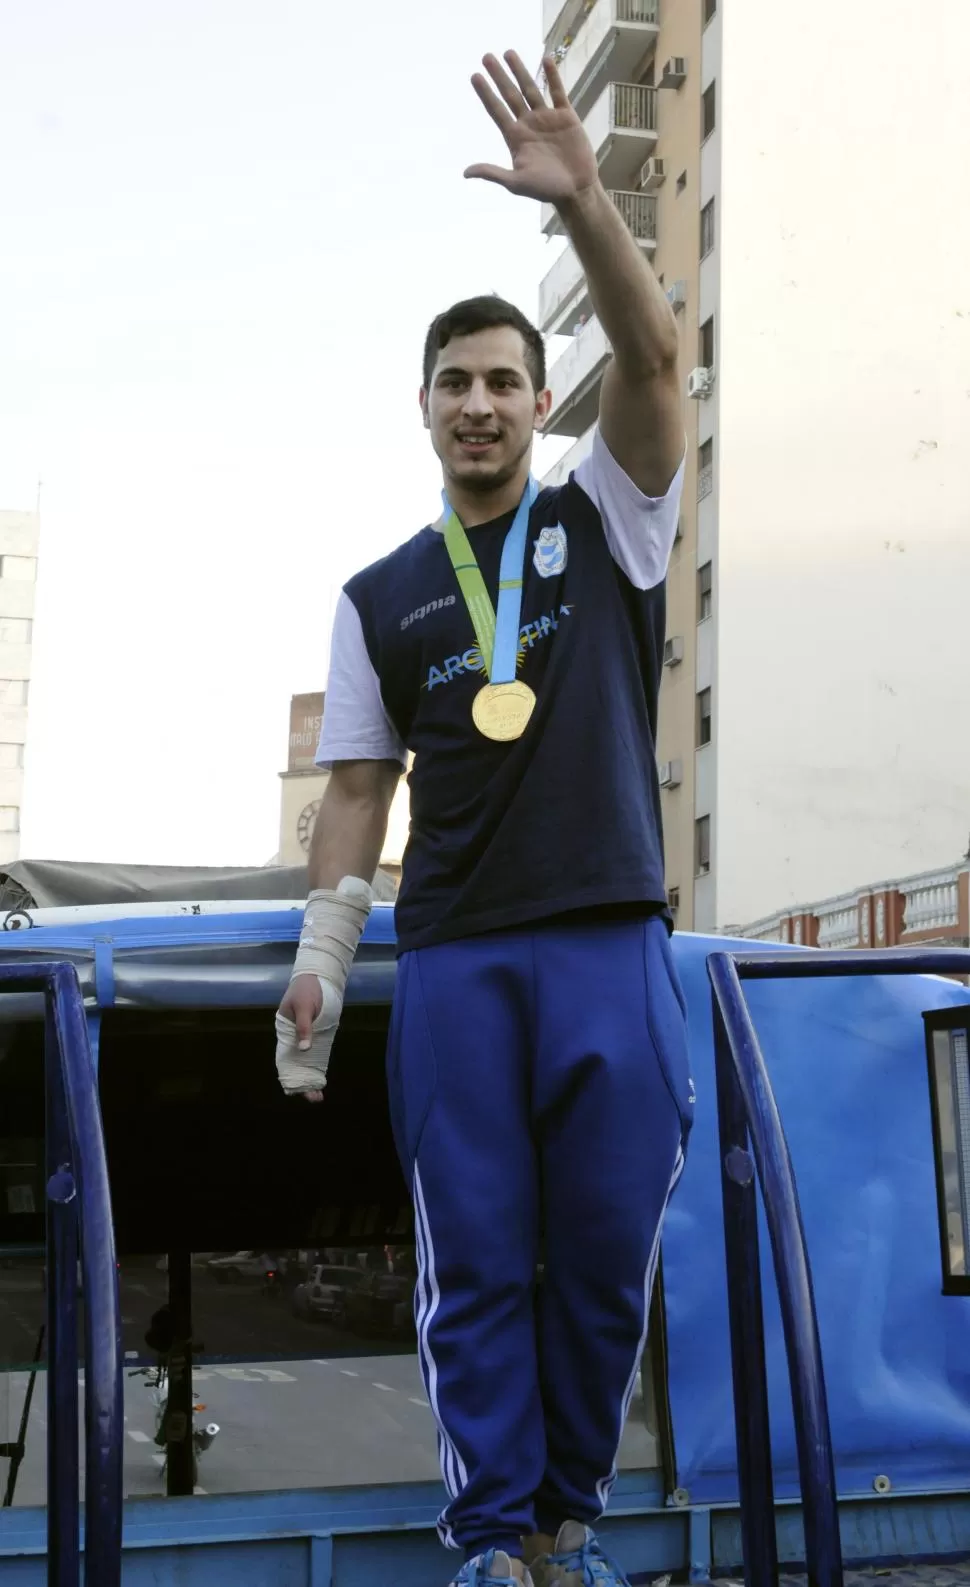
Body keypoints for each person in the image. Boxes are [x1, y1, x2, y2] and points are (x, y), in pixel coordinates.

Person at [275, 48, 694, 1587]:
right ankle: (489, 1544)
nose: (479, 403)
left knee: (600, 1253)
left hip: (604, 937)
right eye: (453, 383)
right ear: (423, 407)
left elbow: (654, 368)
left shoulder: (609, 514)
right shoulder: (379, 594)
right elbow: (357, 787)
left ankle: (561, 1518)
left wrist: (587, 200)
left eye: (505, 380)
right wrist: (324, 948)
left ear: (536, 401)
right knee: (469, 1274)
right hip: (452, 951)